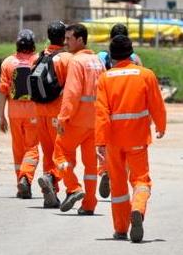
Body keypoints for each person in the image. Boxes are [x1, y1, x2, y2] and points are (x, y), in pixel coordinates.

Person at [95, 35, 166, 242]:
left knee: (118, 186)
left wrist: (100, 141)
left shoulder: (105, 78)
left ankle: (120, 228)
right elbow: (157, 105)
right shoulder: (146, 75)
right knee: (141, 180)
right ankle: (138, 208)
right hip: (137, 138)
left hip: (113, 141)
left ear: (111, 55)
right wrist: (161, 126)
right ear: (131, 52)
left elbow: (101, 113)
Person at [54, 23, 105, 215]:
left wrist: (63, 117)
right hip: (95, 121)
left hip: (77, 120)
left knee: (60, 152)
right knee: (91, 166)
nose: (65, 42)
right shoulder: (98, 61)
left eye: (69, 39)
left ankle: (73, 188)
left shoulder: (76, 62)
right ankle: (89, 204)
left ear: (80, 40)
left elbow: (72, 93)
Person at [96, 23, 143, 199]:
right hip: (127, 108)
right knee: (126, 147)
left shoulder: (100, 56)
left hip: (106, 104)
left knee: (103, 144)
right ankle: (120, 174)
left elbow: (97, 79)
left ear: (110, 39)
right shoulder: (134, 58)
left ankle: (104, 171)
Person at [34, 21, 72, 208]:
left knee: (47, 154)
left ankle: (50, 193)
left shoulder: (39, 57)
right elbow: (71, 89)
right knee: (61, 153)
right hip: (57, 113)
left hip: (39, 111)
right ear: (64, 38)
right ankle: (51, 177)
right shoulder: (67, 59)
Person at [0, 29, 39, 199]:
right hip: (33, 112)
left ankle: (20, 182)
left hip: (14, 112)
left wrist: (1, 116)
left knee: (18, 149)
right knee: (32, 148)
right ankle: (26, 177)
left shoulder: (8, 62)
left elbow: (2, 91)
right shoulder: (37, 61)